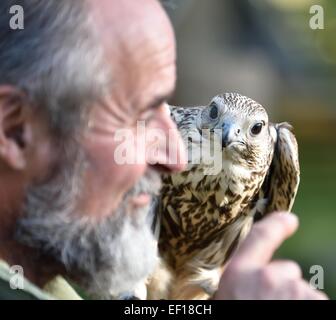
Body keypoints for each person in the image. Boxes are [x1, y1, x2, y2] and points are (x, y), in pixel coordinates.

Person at [0, 0, 327, 300]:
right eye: (141, 115)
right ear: (14, 130)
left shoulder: (44, 282)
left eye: (165, 112)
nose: (175, 157)